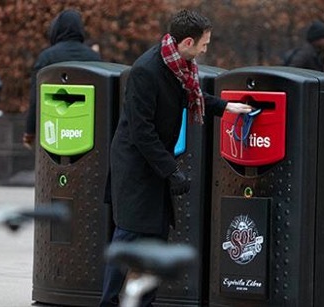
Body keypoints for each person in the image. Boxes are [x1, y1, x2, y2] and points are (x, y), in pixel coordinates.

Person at [99, 9, 252, 307]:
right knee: (128, 236)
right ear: (186, 43)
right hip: (136, 168)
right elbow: (141, 131)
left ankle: (144, 302)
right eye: (204, 44)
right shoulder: (147, 70)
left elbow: (189, 97)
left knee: (156, 237)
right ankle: (108, 302)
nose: (206, 50)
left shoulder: (178, 66)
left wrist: (226, 107)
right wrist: (171, 171)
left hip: (154, 165)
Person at [22, 9, 101, 149]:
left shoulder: (47, 57)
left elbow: (36, 97)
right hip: (85, 129)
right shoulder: (93, 57)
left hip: (54, 126)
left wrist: (30, 132)